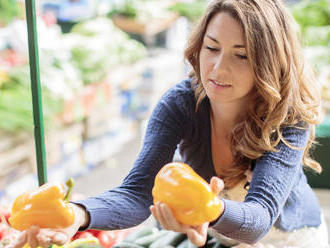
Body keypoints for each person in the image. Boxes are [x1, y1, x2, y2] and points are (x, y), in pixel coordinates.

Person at [9, 0, 329, 247]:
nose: (218, 68)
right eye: (212, 48)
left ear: (269, 62)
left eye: (241, 56)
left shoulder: (289, 117)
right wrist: (77, 214)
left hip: (289, 237)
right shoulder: (181, 103)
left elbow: (259, 218)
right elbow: (137, 193)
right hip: (222, 236)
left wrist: (205, 207)